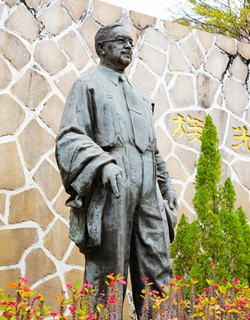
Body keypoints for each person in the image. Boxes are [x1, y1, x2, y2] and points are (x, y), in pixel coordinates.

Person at [55, 22, 178, 318]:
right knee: (109, 273)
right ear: (101, 48)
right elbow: (70, 137)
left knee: (157, 267)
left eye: (131, 43)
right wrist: (103, 164)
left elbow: (152, 148)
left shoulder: (140, 92)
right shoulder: (87, 85)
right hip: (113, 188)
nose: (128, 47)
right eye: (121, 41)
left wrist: (166, 188)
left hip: (148, 191)